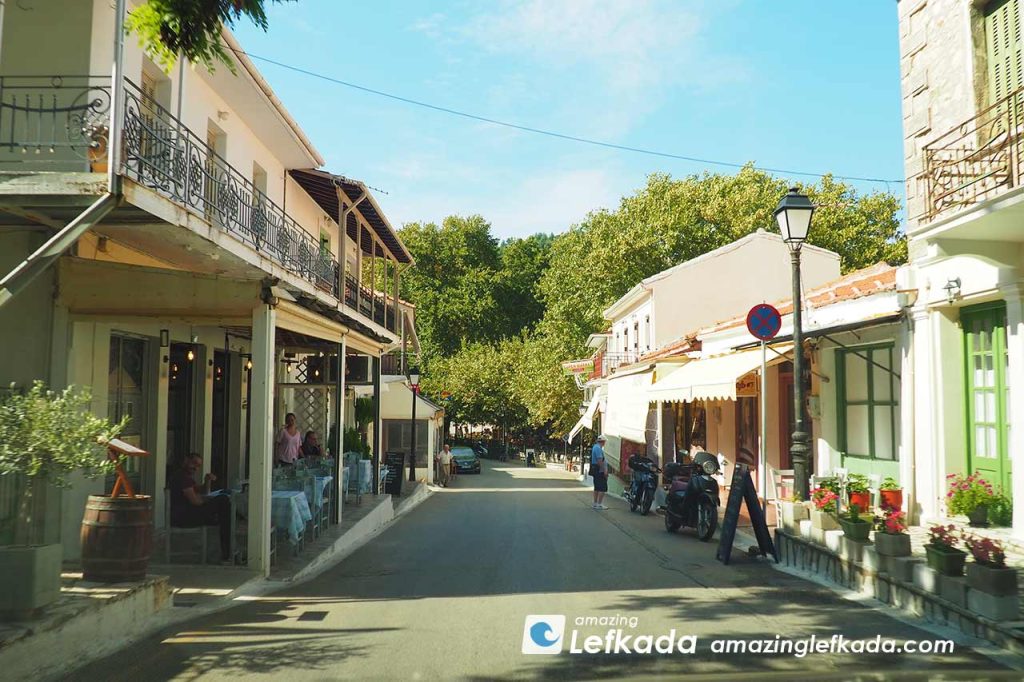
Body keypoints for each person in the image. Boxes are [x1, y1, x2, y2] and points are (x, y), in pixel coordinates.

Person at [168, 452, 232, 562]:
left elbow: (202, 491)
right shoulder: (181, 477)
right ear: (186, 460)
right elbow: (196, 501)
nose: (195, 468)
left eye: (198, 466)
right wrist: (209, 501)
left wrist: (207, 481)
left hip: (188, 513)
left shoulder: (186, 477)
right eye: (194, 464)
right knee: (223, 501)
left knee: (224, 511)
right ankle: (226, 551)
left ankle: (226, 550)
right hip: (184, 517)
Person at [591, 435, 609, 510]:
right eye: (604, 442)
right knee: (602, 487)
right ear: (603, 442)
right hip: (599, 470)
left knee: (597, 487)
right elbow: (600, 461)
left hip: (596, 469)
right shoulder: (598, 449)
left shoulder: (595, 447)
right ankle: (599, 504)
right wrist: (604, 471)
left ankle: (595, 503)